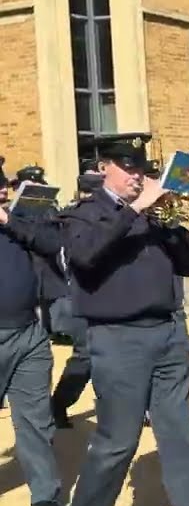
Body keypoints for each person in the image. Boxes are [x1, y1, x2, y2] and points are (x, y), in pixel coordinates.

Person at [60, 133, 189, 506]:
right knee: (118, 440)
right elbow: (85, 257)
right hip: (117, 338)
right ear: (106, 168)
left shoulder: (156, 213)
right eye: (128, 168)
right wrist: (134, 211)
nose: (138, 176)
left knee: (178, 438)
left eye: (142, 169)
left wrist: (172, 226)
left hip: (168, 333)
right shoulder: (86, 213)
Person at [0, 160, 65, 506]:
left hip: (29, 333)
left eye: (4, 186)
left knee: (36, 419)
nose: (3, 192)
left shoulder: (16, 221)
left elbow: (53, 243)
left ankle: (45, 494)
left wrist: (12, 223)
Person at [49, 173, 101, 428]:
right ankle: (58, 404)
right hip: (81, 297)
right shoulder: (69, 219)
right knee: (86, 357)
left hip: (110, 297)